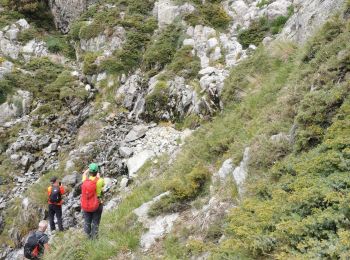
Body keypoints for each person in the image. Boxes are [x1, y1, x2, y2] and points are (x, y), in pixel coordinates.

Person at [81, 163, 105, 239]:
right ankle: (95, 239)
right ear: (97, 171)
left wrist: (88, 170)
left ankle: (87, 238)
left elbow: (84, 174)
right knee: (95, 222)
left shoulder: (85, 180)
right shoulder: (100, 180)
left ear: (90, 172)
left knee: (87, 222)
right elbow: (103, 185)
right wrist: (98, 176)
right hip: (97, 204)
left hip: (86, 204)